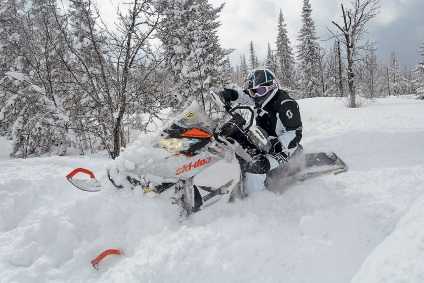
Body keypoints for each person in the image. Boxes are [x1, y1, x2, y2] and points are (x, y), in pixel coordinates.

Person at [218, 66, 302, 194]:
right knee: (232, 137)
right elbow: (243, 95)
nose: (255, 96)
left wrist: (278, 144)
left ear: (271, 87)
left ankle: (255, 200)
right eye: (253, 92)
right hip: (261, 141)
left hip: (282, 149)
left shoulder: (286, 104)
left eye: (260, 91)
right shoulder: (260, 97)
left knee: (256, 167)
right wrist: (230, 95)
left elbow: (295, 133)